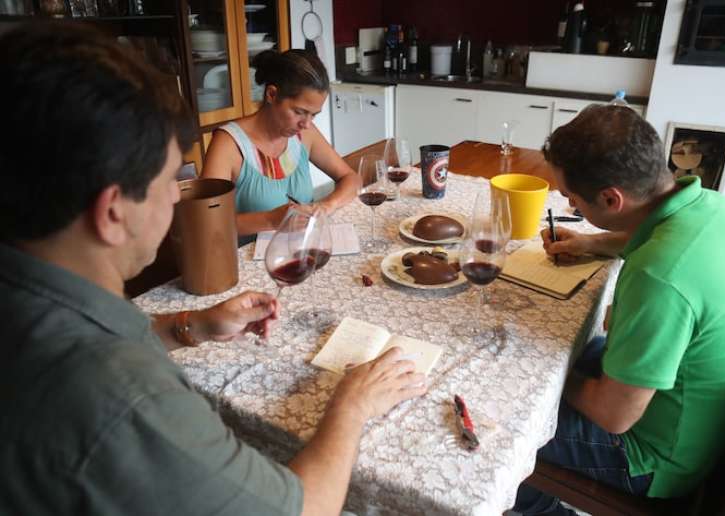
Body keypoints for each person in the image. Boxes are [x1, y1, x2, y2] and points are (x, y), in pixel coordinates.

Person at [0, 23, 426, 515]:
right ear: (113, 211)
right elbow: (303, 510)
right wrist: (352, 406)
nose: (181, 199)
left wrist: (188, 325)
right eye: (169, 182)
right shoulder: (126, 397)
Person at [514, 104, 725, 514]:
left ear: (610, 198)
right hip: (692, 412)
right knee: (558, 347)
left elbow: (612, 415)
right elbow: (654, 237)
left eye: (572, 199)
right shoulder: (709, 206)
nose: (570, 205)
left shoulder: (659, 276)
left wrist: (540, 378)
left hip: (650, 457)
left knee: (501, 412)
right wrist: (589, 243)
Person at [201, 49, 360, 238]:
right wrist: (270, 220)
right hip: (248, 261)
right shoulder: (228, 144)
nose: (307, 124)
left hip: (299, 251)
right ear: (272, 94)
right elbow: (207, 222)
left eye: (314, 114)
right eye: (299, 111)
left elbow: (351, 178)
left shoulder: (304, 134)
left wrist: (326, 206)